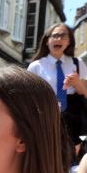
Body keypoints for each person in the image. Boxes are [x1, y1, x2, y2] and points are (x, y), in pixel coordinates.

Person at [27, 23, 87, 153]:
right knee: (48, 151)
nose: (58, 39)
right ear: (47, 41)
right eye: (54, 36)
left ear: (69, 41)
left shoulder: (78, 63)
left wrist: (77, 83)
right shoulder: (36, 66)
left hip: (72, 118)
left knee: (70, 156)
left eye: (63, 36)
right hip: (46, 114)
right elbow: (28, 97)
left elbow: (85, 93)